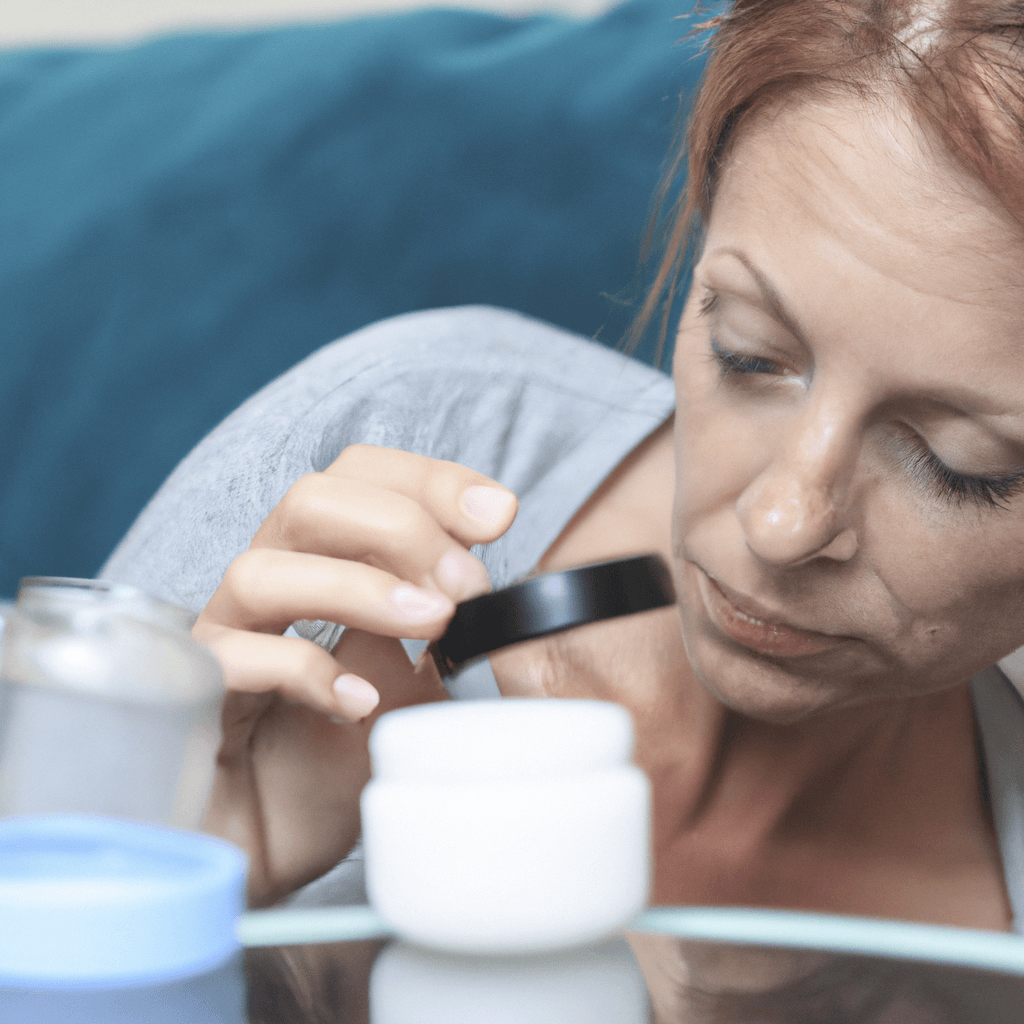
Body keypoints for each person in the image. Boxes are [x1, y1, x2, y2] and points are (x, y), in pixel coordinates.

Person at [103, 0, 1024, 934]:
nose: (780, 524)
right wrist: (152, 895)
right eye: (747, 351)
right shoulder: (399, 435)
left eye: (963, 464)